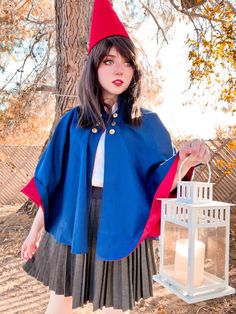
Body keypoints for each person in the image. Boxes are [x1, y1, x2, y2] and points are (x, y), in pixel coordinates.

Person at [20, 0, 210, 313]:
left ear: (135, 70)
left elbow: (159, 181)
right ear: (94, 67)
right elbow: (51, 182)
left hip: (122, 223)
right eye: (108, 61)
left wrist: (186, 161)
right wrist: (34, 233)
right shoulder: (72, 121)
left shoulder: (148, 124)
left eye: (126, 62)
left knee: (115, 306)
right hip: (74, 220)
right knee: (59, 303)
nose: (118, 69)